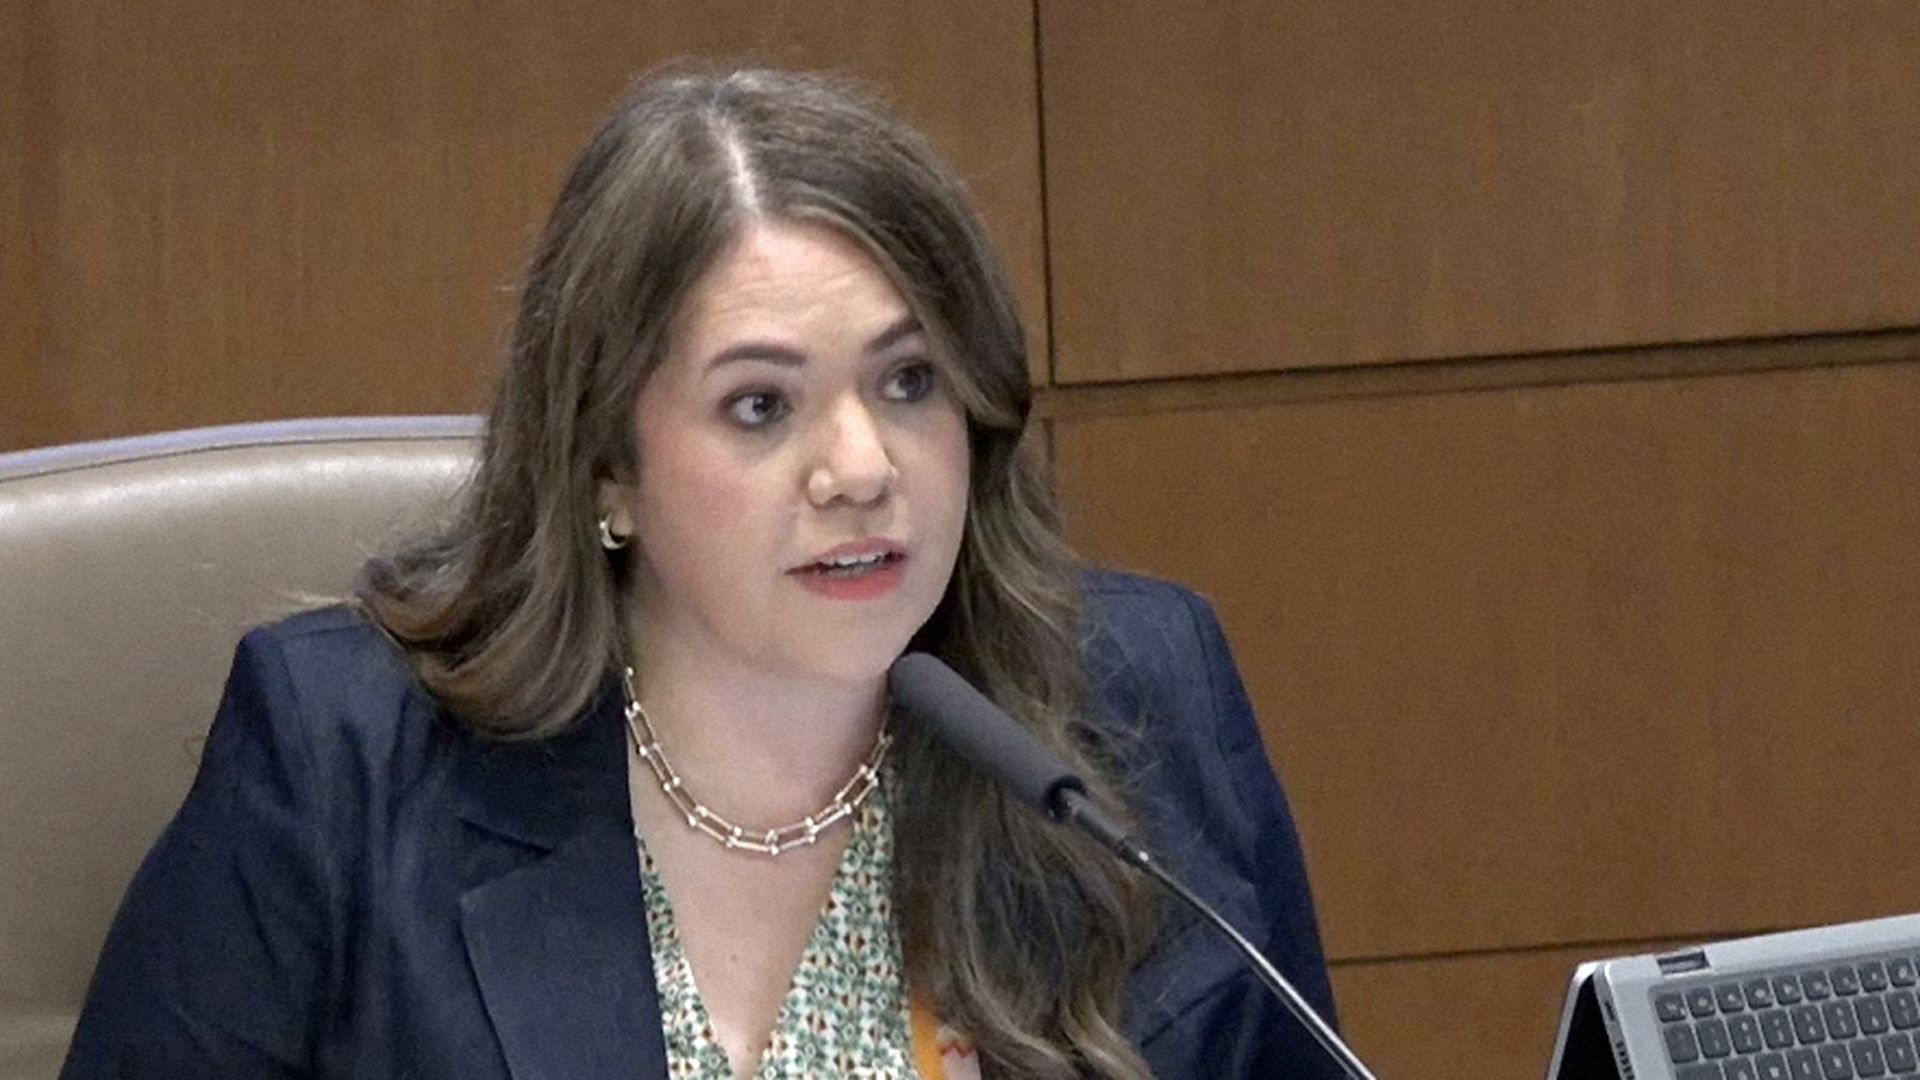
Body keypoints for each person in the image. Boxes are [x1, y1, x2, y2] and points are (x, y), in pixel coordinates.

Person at [59, 67, 1339, 1079]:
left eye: (909, 381)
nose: (861, 466)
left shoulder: (1132, 705)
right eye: (760, 406)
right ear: (607, 467)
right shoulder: (345, 765)